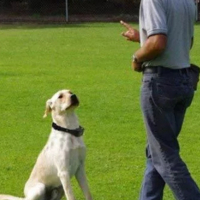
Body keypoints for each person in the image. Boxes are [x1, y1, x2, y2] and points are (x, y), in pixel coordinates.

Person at [120, 0, 200, 199]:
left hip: (161, 82)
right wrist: (141, 38)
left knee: (164, 155)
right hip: (183, 81)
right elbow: (186, 42)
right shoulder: (187, 1)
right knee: (156, 153)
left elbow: (157, 43)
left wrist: (137, 58)